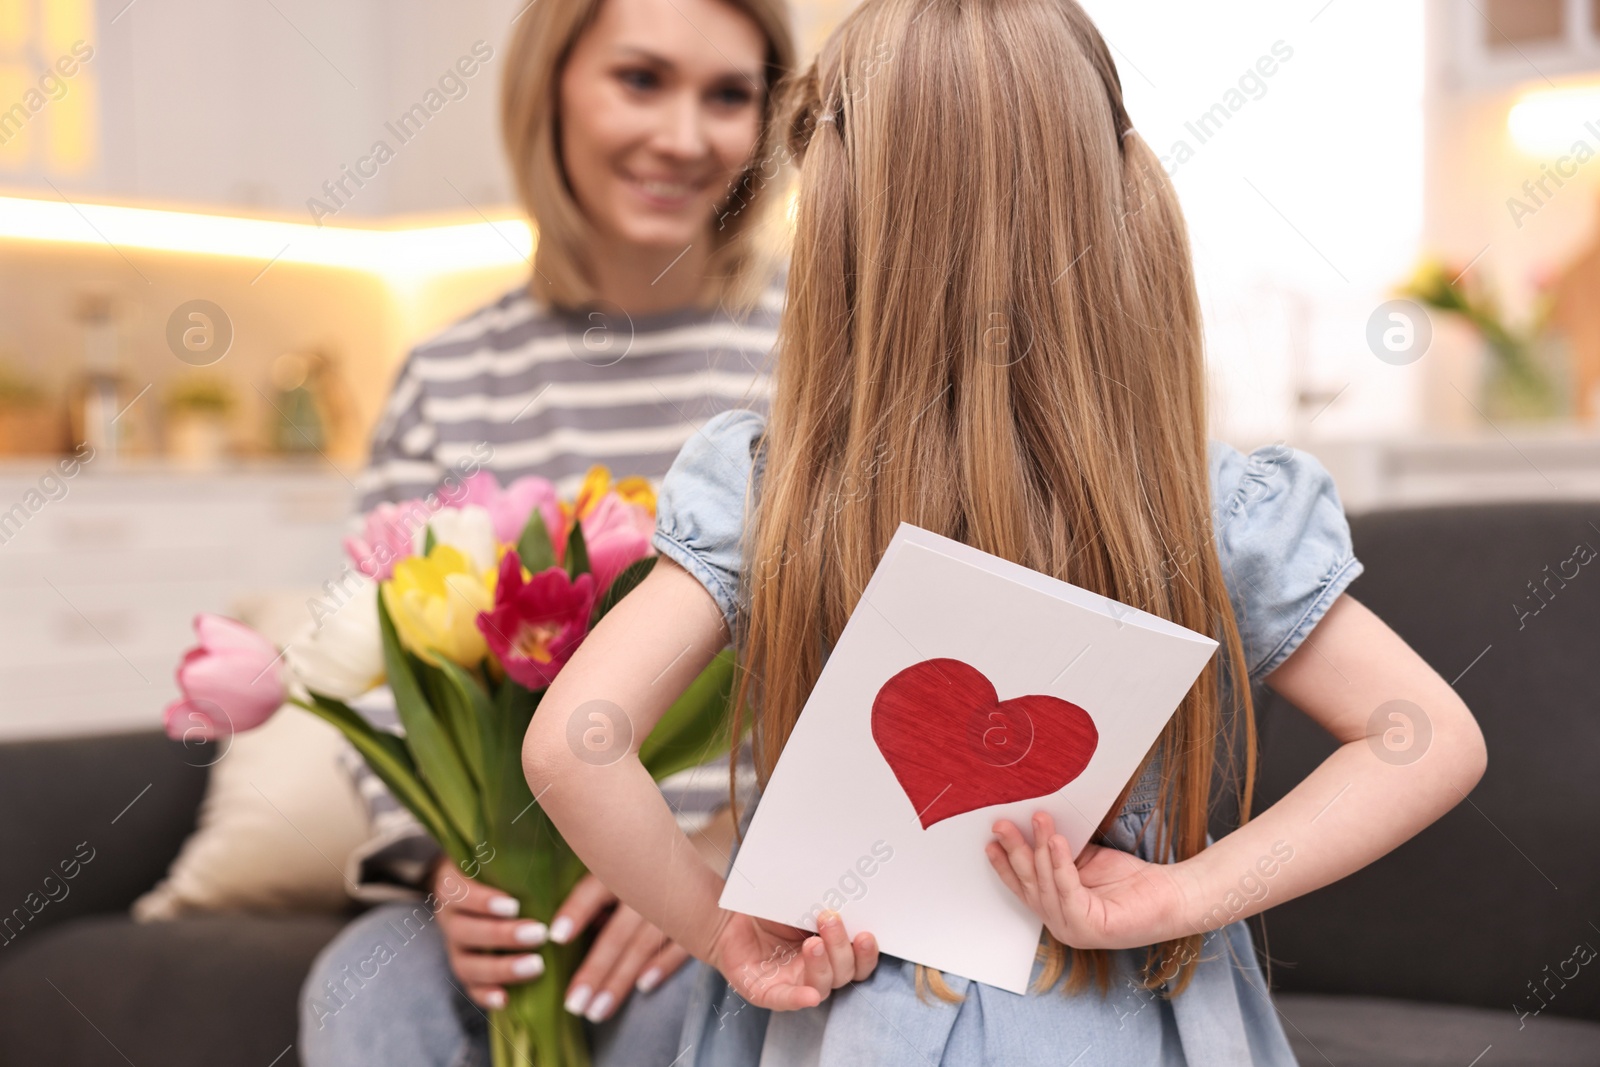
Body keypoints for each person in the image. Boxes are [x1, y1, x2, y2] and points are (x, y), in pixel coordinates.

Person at [519, 0, 1492, 1063]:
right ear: (1117, 193)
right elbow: (1424, 738)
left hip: (844, 1014)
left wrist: (720, 931)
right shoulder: (1210, 504)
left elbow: (575, 745)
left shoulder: (769, 488)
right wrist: (1171, 896)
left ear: (837, 214)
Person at [298, 0, 795, 1062]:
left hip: (733, 875)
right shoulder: (447, 373)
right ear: (550, 89)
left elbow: (876, 651)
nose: (684, 136)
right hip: (509, 881)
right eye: (641, 79)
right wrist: (447, 868)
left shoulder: (818, 347)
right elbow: (376, 659)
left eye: (728, 97)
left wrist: (714, 854)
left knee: (690, 1016)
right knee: (357, 992)